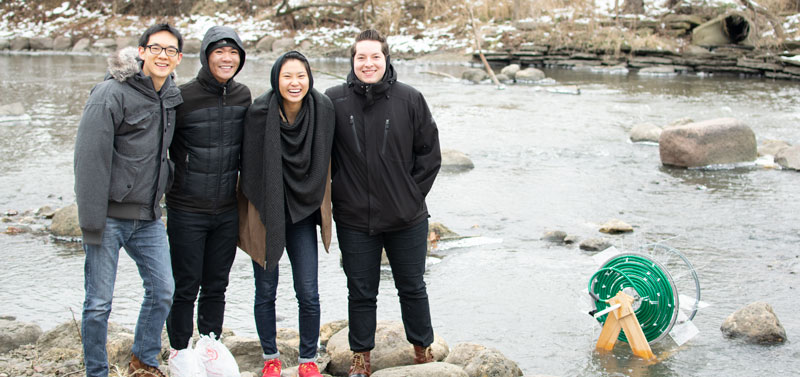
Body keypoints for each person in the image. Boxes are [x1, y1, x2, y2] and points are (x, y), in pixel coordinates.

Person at [324, 29, 442, 377]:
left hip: (407, 218)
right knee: (360, 291)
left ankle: (422, 348)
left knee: (413, 286)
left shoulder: (409, 99)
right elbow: (320, 155)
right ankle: (361, 357)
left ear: (386, 59)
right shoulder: (333, 100)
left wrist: (408, 195)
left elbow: (429, 154)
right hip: (354, 217)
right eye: (361, 57)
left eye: (375, 56)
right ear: (353, 60)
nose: (368, 63)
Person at [73, 23, 183, 377]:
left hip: (149, 217)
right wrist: (91, 222)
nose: (162, 55)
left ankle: (143, 360)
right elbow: (89, 160)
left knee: (163, 290)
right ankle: (97, 371)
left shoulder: (169, 96)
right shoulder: (111, 93)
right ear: (141, 51)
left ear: (178, 58)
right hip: (108, 217)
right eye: (156, 48)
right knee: (98, 304)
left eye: (170, 50)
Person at [238, 51, 335, 377]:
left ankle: (308, 359)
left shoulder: (323, 110)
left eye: (301, 76)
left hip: (304, 214)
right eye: (287, 76)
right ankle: (271, 357)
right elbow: (249, 169)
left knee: (308, 291)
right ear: (276, 79)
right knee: (265, 290)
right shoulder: (258, 112)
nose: (295, 83)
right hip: (267, 213)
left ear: (309, 78)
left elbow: (332, 161)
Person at [163, 25, 251, 357]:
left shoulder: (243, 96)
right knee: (185, 287)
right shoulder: (181, 97)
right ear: (205, 56)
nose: (226, 58)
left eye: (233, 53)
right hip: (187, 209)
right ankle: (179, 351)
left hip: (226, 210)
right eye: (219, 52)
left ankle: (210, 348)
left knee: (216, 286)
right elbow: (160, 146)